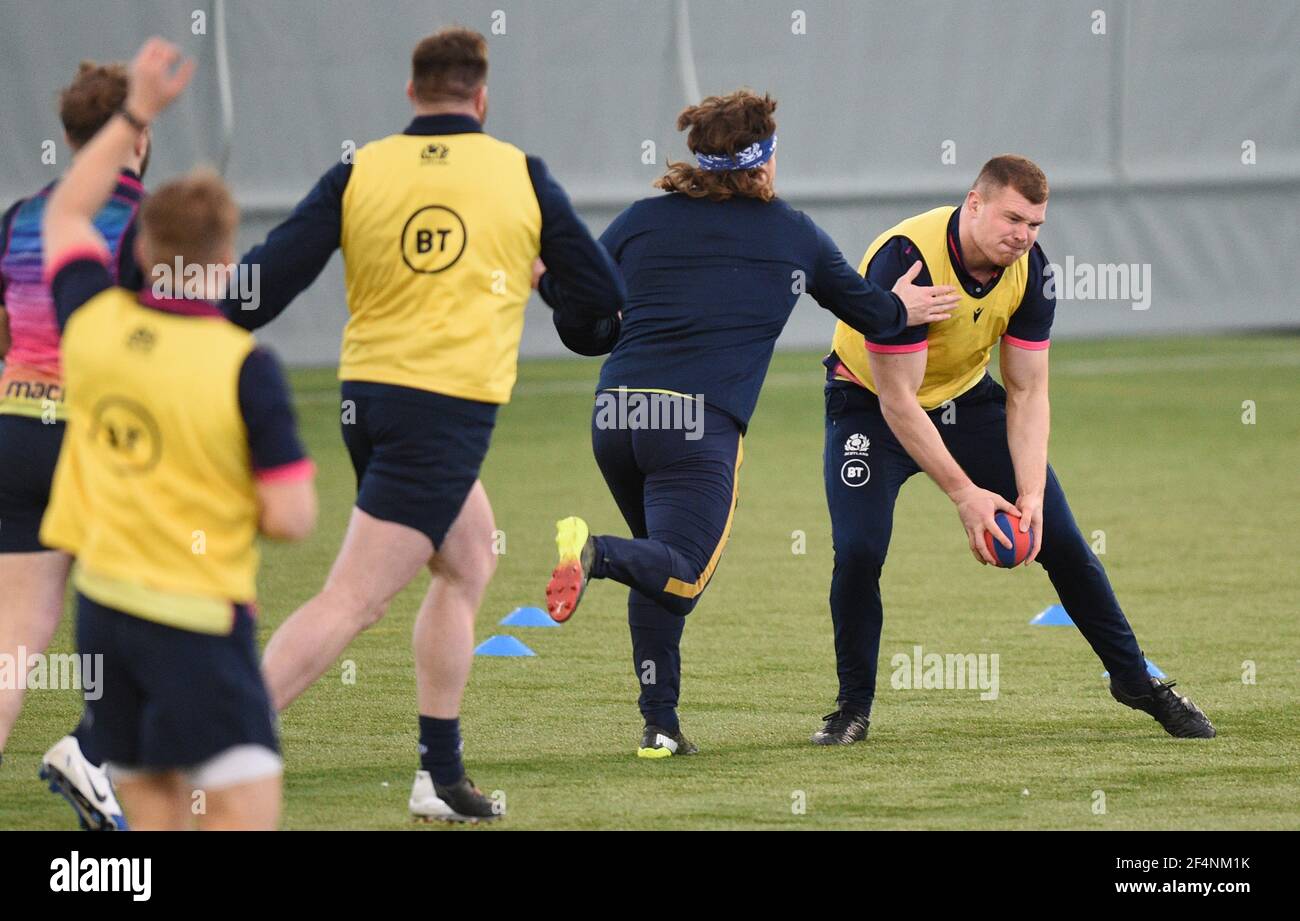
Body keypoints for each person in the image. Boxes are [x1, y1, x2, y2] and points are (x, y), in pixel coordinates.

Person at [219, 27, 625, 822]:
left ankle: (438, 776)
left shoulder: (360, 168)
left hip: (365, 404)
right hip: (440, 415)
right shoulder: (519, 174)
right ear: (481, 98)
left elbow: (256, 290)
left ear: (411, 95)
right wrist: (546, 284)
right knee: (352, 599)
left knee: (469, 557)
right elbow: (605, 304)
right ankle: (219, 745)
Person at [542, 90, 958, 757]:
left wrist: (581, 305)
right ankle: (597, 552)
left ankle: (660, 724)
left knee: (660, 569)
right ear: (763, 161)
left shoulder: (640, 222)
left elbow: (578, 322)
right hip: (695, 425)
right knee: (682, 571)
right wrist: (901, 304)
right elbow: (872, 314)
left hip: (616, 415)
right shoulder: (790, 233)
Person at [813, 154, 1214, 744]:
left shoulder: (1032, 271)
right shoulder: (908, 261)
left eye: (1035, 225)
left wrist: (1029, 492)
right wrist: (965, 495)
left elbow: (1028, 388)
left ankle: (1134, 680)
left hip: (967, 402)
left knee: (1065, 541)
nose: (1023, 236)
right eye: (1013, 219)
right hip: (870, 408)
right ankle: (852, 708)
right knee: (859, 551)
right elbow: (899, 401)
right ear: (973, 203)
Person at [41, 37, 317, 829]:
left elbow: (65, 211)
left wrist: (136, 113)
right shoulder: (243, 365)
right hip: (198, 623)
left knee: (153, 821)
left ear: (145, 250)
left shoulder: (91, 326)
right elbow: (292, 515)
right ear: (226, 260)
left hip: (103, 615)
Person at [0, 58, 148, 830]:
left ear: (68, 136)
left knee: (12, 647)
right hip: (100, 443)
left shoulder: (23, 215)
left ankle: (94, 757)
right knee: (167, 614)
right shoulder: (147, 220)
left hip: (16, 431)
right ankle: (92, 751)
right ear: (139, 137)